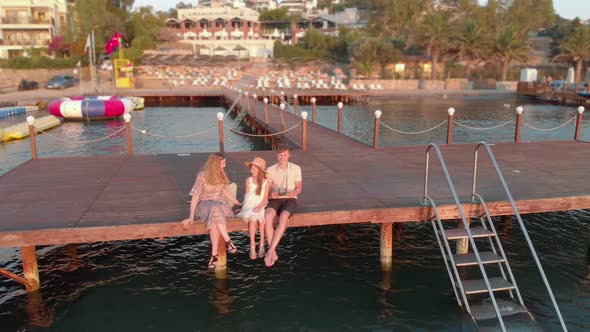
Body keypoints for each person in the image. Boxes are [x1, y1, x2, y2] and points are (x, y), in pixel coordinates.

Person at [182, 153, 241, 269]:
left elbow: (225, 192)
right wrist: (191, 216)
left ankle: (214, 255)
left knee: (215, 214)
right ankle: (228, 240)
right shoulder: (202, 175)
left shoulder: (221, 174)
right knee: (214, 209)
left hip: (221, 204)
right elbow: (195, 196)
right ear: (215, 164)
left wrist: (239, 203)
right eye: (223, 163)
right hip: (204, 205)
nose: (224, 166)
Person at [264, 146, 302, 267]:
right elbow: (267, 191)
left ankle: (270, 251)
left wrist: (293, 193)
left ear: (289, 155)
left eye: (285, 155)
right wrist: (271, 194)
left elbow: (299, 188)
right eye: (280, 155)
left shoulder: (296, 168)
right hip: (275, 199)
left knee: (284, 216)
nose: (282, 158)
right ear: (277, 155)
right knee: (268, 216)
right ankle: (273, 251)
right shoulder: (269, 170)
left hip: (290, 198)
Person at [237, 157, 271, 260]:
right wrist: (243, 207)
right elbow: (247, 196)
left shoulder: (266, 182)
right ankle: (252, 245)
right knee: (253, 218)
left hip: (260, 203)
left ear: (260, 170)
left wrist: (259, 206)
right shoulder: (248, 180)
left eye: (254, 169)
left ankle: (261, 245)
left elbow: (265, 199)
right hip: (250, 204)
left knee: (261, 219)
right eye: (251, 169)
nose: (251, 171)